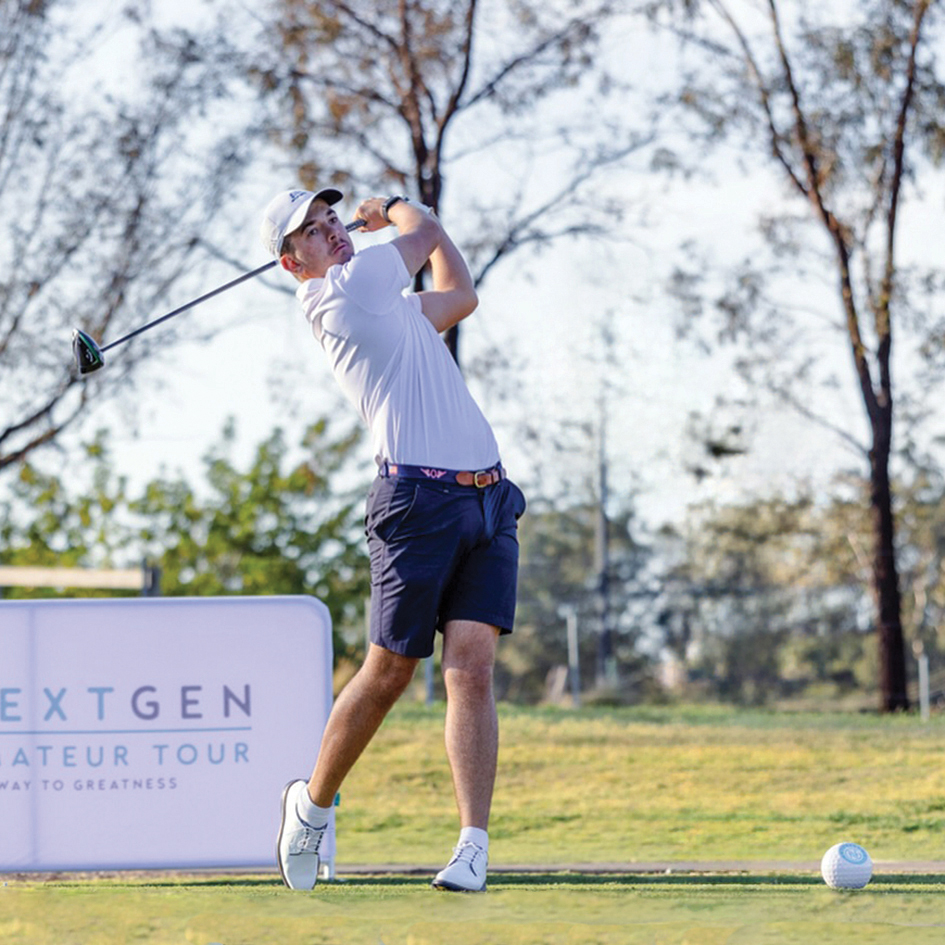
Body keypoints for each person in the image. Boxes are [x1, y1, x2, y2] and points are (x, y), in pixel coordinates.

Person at [260, 186, 526, 893]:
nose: (332, 231)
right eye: (313, 232)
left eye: (332, 219)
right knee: (389, 671)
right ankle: (312, 806)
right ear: (292, 264)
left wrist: (416, 226)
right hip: (416, 504)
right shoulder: (345, 293)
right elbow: (424, 232)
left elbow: (460, 294)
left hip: (488, 498)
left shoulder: (387, 304)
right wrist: (395, 207)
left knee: (471, 669)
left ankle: (472, 846)